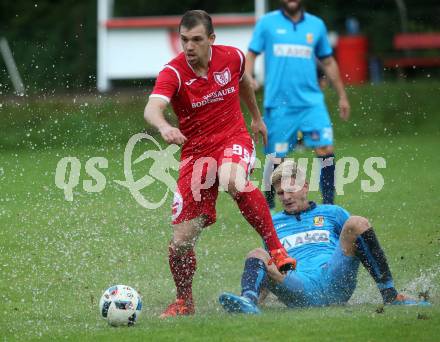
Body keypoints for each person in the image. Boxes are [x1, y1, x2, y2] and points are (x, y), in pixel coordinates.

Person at [144, 10, 296, 318]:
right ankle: (184, 302)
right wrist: (163, 126)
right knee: (181, 242)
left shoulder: (233, 58)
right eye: (184, 40)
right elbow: (153, 107)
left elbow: (244, 83)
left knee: (232, 179)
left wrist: (255, 118)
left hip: (232, 138)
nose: (189, 47)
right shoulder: (173, 73)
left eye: (196, 40)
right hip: (195, 156)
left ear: (211, 39)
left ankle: (276, 248)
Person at [219, 160, 431, 313]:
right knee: (257, 253)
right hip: (298, 285)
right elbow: (270, 265)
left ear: (305, 186)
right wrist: (263, 295)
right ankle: (248, 302)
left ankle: (391, 295)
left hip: (334, 277)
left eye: (291, 189)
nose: (286, 197)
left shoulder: (332, 213)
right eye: (281, 193)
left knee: (357, 223)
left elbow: (360, 243)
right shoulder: (272, 223)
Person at [245, 0, 350, 209]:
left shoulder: (316, 25)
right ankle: (270, 207)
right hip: (279, 103)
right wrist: (249, 76)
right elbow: (251, 54)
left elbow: (328, 61)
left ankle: (328, 206)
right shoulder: (267, 23)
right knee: (276, 157)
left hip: (311, 102)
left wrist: (342, 95)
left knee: (325, 149)